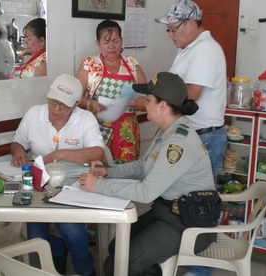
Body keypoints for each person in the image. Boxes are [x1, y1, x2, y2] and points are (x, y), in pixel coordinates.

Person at [79, 72, 216, 276]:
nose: (144, 103)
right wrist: (109, 171)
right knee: (116, 247)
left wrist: (98, 186)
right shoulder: (166, 131)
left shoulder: (178, 143)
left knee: (117, 265)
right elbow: (143, 167)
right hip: (167, 213)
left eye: (149, 100)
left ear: (162, 106)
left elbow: (146, 192)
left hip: (187, 224)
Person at [155, 1, 228, 275]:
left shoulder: (206, 49)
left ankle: (200, 271)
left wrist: (153, 104)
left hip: (205, 139)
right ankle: (182, 261)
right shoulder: (188, 49)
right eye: (168, 31)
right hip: (191, 137)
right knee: (183, 207)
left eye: (173, 29)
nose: (170, 35)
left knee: (199, 209)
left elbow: (190, 95)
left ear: (191, 23)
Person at [10, 74, 103, 276]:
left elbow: (97, 152)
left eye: (64, 106)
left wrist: (60, 154)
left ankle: (86, 269)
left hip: (74, 181)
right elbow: (18, 142)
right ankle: (54, 261)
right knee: (36, 233)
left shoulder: (85, 118)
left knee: (70, 227)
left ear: (77, 104)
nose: (56, 110)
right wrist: (18, 151)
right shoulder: (34, 114)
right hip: (40, 181)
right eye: (53, 102)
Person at [76, 19, 147, 164]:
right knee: (99, 170)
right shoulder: (90, 64)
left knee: (128, 173)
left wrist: (132, 102)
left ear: (121, 41)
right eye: (106, 42)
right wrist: (92, 104)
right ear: (98, 43)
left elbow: (148, 99)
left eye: (115, 41)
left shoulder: (132, 64)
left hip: (127, 131)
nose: (111, 46)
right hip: (97, 128)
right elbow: (76, 97)